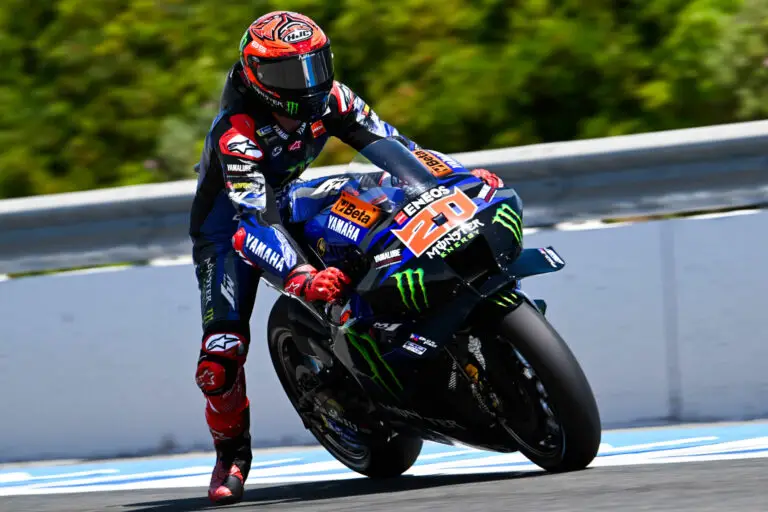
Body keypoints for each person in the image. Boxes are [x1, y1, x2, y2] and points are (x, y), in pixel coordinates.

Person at [189, 10, 503, 505]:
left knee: (379, 203)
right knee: (220, 358)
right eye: (290, 72)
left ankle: (392, 332)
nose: (306, 83)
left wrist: (454, 180)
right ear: (257, 76)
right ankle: (231, 455)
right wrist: (300, 277)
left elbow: (393, 146)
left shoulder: (333, 98)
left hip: (287, 197)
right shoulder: (238, 134)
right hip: (230, 229)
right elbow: (252, 221)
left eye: (313, 66)